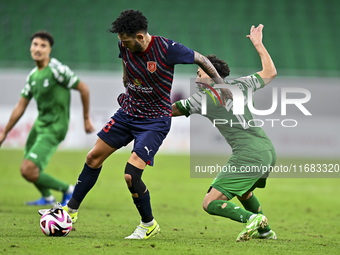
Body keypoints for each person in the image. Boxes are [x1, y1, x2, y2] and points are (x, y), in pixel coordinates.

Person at [56, 9, 232, 240]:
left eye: (126, 41)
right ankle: (70, 211)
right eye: (121, 41)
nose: (123, 45)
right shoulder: (124, 45)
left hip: (154, 120)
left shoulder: (168, 49)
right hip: (128, 112)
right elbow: (125, 60)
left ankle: (148, 224)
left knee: (131, 175)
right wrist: (125, 79)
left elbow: (202, 60)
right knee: (92, 158)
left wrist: (220, 86)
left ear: (140, 37)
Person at [172, 24, 278, 241]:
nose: (197, 78)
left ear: (211, 73)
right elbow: (270, 72)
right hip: (266, 150)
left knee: (209, 203)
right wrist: (258, 44)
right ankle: (265, 232)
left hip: (248, 155)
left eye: (200, 73)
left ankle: (251, 219)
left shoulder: (202, 99)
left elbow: (169, 111)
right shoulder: (242, 84)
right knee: (244, 191)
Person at [0, 31, 95, 206]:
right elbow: (21, 106)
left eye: (43, 45)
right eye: (35, 44)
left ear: (49, 50)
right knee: (31, 165)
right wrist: (4, 132)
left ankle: (68, 190)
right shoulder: (33, 76)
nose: (38, 48)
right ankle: (47, 198)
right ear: (30, 47)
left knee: (27, 170)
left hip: (55, 127)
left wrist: (86, 118)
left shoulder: (56, 69)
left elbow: (84, 88)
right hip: (40, 125)